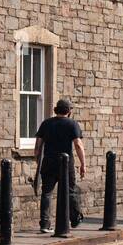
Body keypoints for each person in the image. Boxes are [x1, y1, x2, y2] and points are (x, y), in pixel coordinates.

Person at [34, 98, 86, 235]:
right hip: (65, 164)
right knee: (70, 191)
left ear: (56, 109)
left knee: (46, 193)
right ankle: (75, 219)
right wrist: (83, 164)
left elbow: (38, 145)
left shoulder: (46, 123)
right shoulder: (72, 124)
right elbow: (78, 145)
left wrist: (38, 160)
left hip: (49, 162)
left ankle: (44, 224)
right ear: (69, 111)